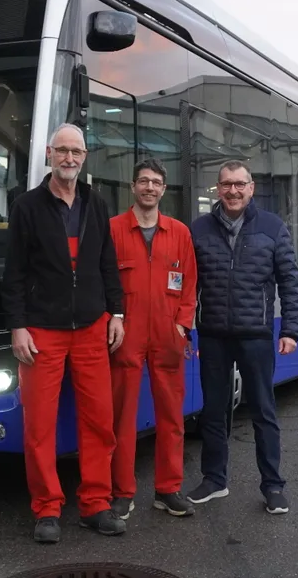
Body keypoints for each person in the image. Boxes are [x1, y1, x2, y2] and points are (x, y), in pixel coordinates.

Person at [2, 123, 127, 543]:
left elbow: (107, 262)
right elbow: (14, 272)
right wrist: (17, 325)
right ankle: (46, 509)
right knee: (39, 424)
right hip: (41, 330)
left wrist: (118, 313)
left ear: (85, 157)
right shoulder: (27, 206)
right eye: (62, 151)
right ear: (49, 155)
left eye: (76, 151)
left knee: (99, 421)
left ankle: (95, 504)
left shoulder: (97, 203)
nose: (69, 158)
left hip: (92, 326)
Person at [185, 160, 298, 515]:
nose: (232, 191)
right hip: (214, 335)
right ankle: (214, 480)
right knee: (213, 411)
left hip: (257, 336)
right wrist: (184, 327)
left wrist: (291, 330)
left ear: (251, 188)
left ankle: (273, 486)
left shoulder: (272, 227)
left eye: (239, 184)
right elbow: (188, 284)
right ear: (217, 189)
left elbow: (290, 281)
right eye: (226, 185)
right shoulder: (199, 229)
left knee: (264, 412)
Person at [108, 157, 198, 520]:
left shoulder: (179, 232)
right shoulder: (112, 229)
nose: (149, 187)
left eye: (156, 182)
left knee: (172, 417)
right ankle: (121, 492)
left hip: (168, 334)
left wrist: (182, 326)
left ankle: (168, 489)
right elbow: (102, 283)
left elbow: (190, 284)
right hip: (125, 334)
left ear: (163, 189)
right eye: (143, 181)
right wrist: (109, 322)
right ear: (133, 187)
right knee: (122, 417)